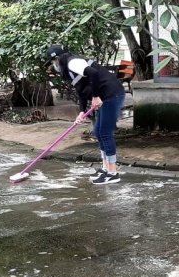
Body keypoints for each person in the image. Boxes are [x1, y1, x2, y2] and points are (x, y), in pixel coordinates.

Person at [45, 44, 126, 185]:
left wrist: (95, 97)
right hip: (105, 97)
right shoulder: (70, 70)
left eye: (52, 62)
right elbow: (81, 89)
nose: (53, 66)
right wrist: (81, 112)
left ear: (57, 59)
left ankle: (113, 173)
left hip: (112, 95)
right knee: (98, 132)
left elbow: (94, 73)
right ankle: (105, 168)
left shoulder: (73, 63)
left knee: (105, 133)